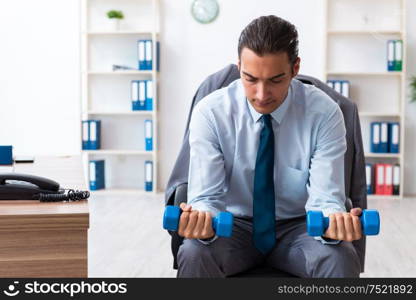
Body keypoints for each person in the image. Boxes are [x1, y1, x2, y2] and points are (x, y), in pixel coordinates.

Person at [177, 15, 361, 278]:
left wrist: (335, 220)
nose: (262, 95)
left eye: (275, 80)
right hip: (234, 227)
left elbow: (326, 198)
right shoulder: (211, 112)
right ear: (239, 66)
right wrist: (201, 219)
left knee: (338, 257)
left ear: (295, 68)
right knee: (195, 253)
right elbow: (207, 197)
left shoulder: (324, 113)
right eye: (250, 79)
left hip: (299, 228)